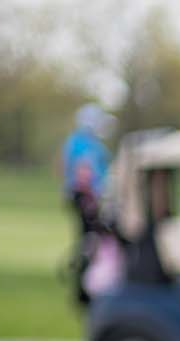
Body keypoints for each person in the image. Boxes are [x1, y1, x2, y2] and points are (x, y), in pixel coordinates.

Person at [58, 104, 114, 303]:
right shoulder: (86, 144)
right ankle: (85, 289)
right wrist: (93, 199)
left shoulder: (75, 141)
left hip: (81, 196)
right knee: (90, 242)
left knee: (87, 241)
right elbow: (84, 173)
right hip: (86, 198)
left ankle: (85, 287)